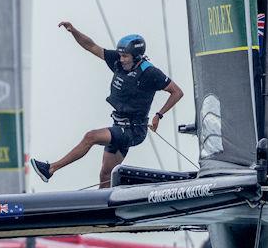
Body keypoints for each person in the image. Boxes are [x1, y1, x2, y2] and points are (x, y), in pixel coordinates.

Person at [29, 22, 183, 188]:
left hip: (134, 130)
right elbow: (91, 46)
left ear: (136, 57)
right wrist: (74, 31)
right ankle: (104, 208)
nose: (121, 59)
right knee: (105, 174)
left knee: (91, 137)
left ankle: (50, 169)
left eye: (125, 56)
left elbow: (177, 92)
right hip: (119, 125)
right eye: (120, 55)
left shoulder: (150, 73)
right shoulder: (117, 61)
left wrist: (159, 115)